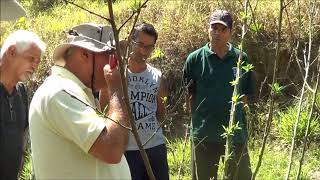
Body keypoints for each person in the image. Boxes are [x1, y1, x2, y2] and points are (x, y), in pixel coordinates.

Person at [29, 23, 131, 179]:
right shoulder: (60, 92)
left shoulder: (75, 91)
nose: (117, 61)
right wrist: (116, 90)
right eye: (110, 54)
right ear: (84, 54)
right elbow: (112, 149)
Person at [183, 10, 254, 180]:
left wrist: (243, 127)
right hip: (204, 135)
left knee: (241, 177)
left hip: (234, 134)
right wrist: (197, 125)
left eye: (222, 29)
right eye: (214, 28)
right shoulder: (194, 59)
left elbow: (244, 97)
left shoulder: (241, 59)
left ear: (230, 32)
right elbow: (188, 97)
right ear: (208, 30)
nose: (217, 33)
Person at [110, 22, 169, 180]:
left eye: (149, 47)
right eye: (140, 44)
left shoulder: (157, 76)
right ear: (130, 40)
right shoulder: (116, 76)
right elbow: (105, 108)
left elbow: (161, 111)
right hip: (127, 150)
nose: (144, 51)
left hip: (155, 147)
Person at [0, 30, 45, 180]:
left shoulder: (21, 92)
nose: (34, 66)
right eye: (31, 59)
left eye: (37, 62)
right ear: (12, 51)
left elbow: (21, 139)